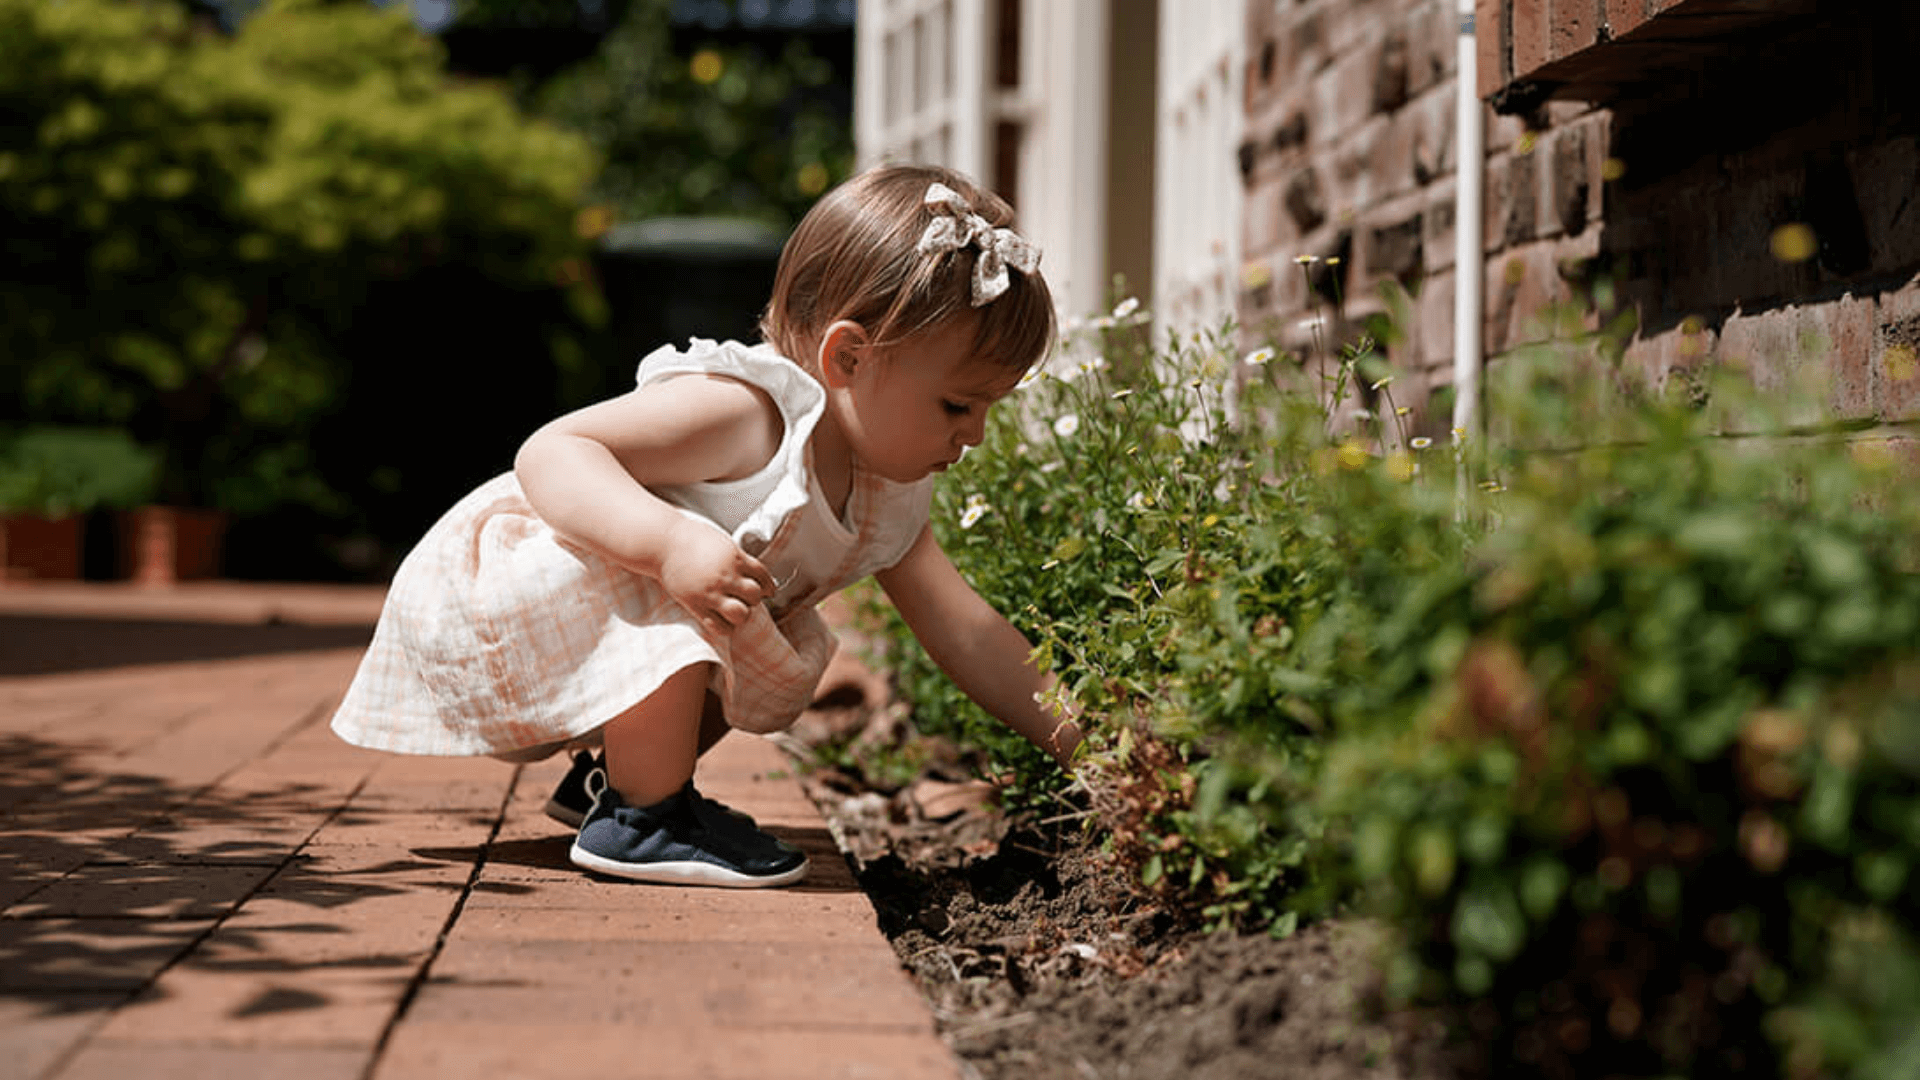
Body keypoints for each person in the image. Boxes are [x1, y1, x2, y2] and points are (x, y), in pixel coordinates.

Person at [330, 163, 1081, 888]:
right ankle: (642, 818)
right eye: (958, 405)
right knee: (695, 563)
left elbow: (969, 633)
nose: (976, 435)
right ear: (849, 357)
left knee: (753, 608)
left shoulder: (888, 498)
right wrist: (668, 543)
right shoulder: (746, 415)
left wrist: (1091, 744)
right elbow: (553, 451)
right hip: (505, 596)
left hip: (583, 627)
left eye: (990, 408)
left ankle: (613, 781)